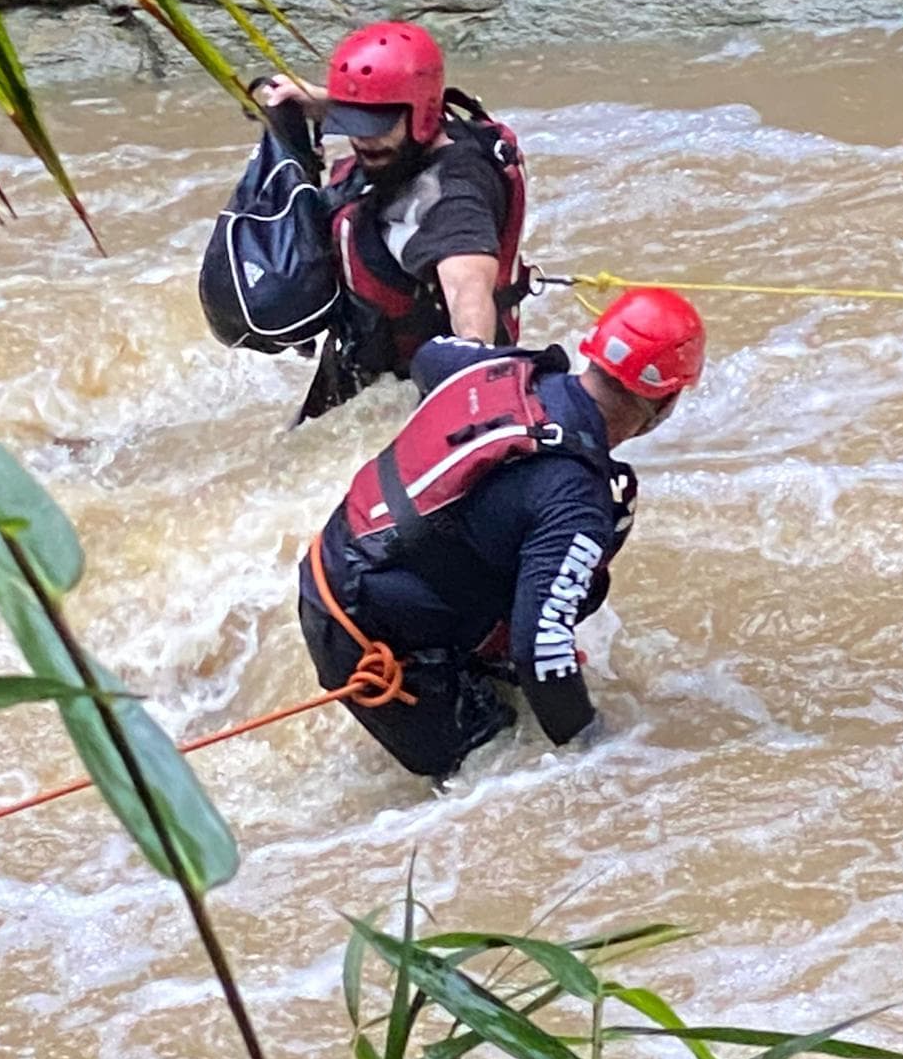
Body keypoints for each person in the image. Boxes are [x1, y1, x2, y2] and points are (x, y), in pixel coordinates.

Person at [297, 287, 707, 782]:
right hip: (369, 641)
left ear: (593, 352)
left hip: (332, 567)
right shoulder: (577, 498)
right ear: (666, 401)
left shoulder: (501, 372)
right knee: (499, 779)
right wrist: (604, 752)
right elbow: (543, 647)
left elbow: (429, 357)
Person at [259, 20, 530, 421]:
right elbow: (374, 106)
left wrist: (471, 386)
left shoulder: (451, 197)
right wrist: (314, 100)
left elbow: (467, 287)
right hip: (359, 359)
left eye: (375, 127)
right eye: (351, 122)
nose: (361, 139)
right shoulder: (427, 134)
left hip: (407, 393)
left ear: (423, 113)